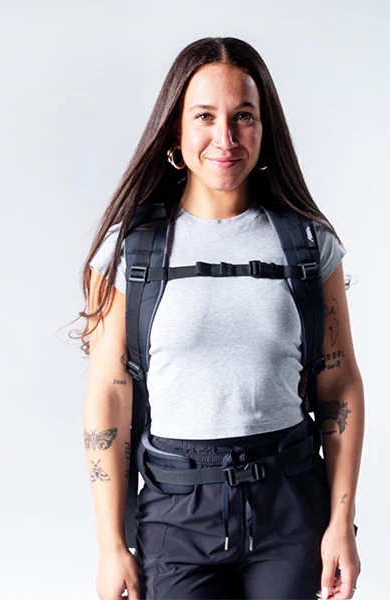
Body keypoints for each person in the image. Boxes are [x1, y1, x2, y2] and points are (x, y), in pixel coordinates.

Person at [78, 36, 364, 600]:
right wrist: (110, 546)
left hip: (290, 507)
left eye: (243, 117)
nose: (225, 138)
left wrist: (341, 525)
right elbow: (108, 396)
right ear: (176, 132)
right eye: (205, 116)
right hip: (175, 516)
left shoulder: (309, 246)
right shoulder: (128, 253)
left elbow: (339, 384)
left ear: (264, 128)